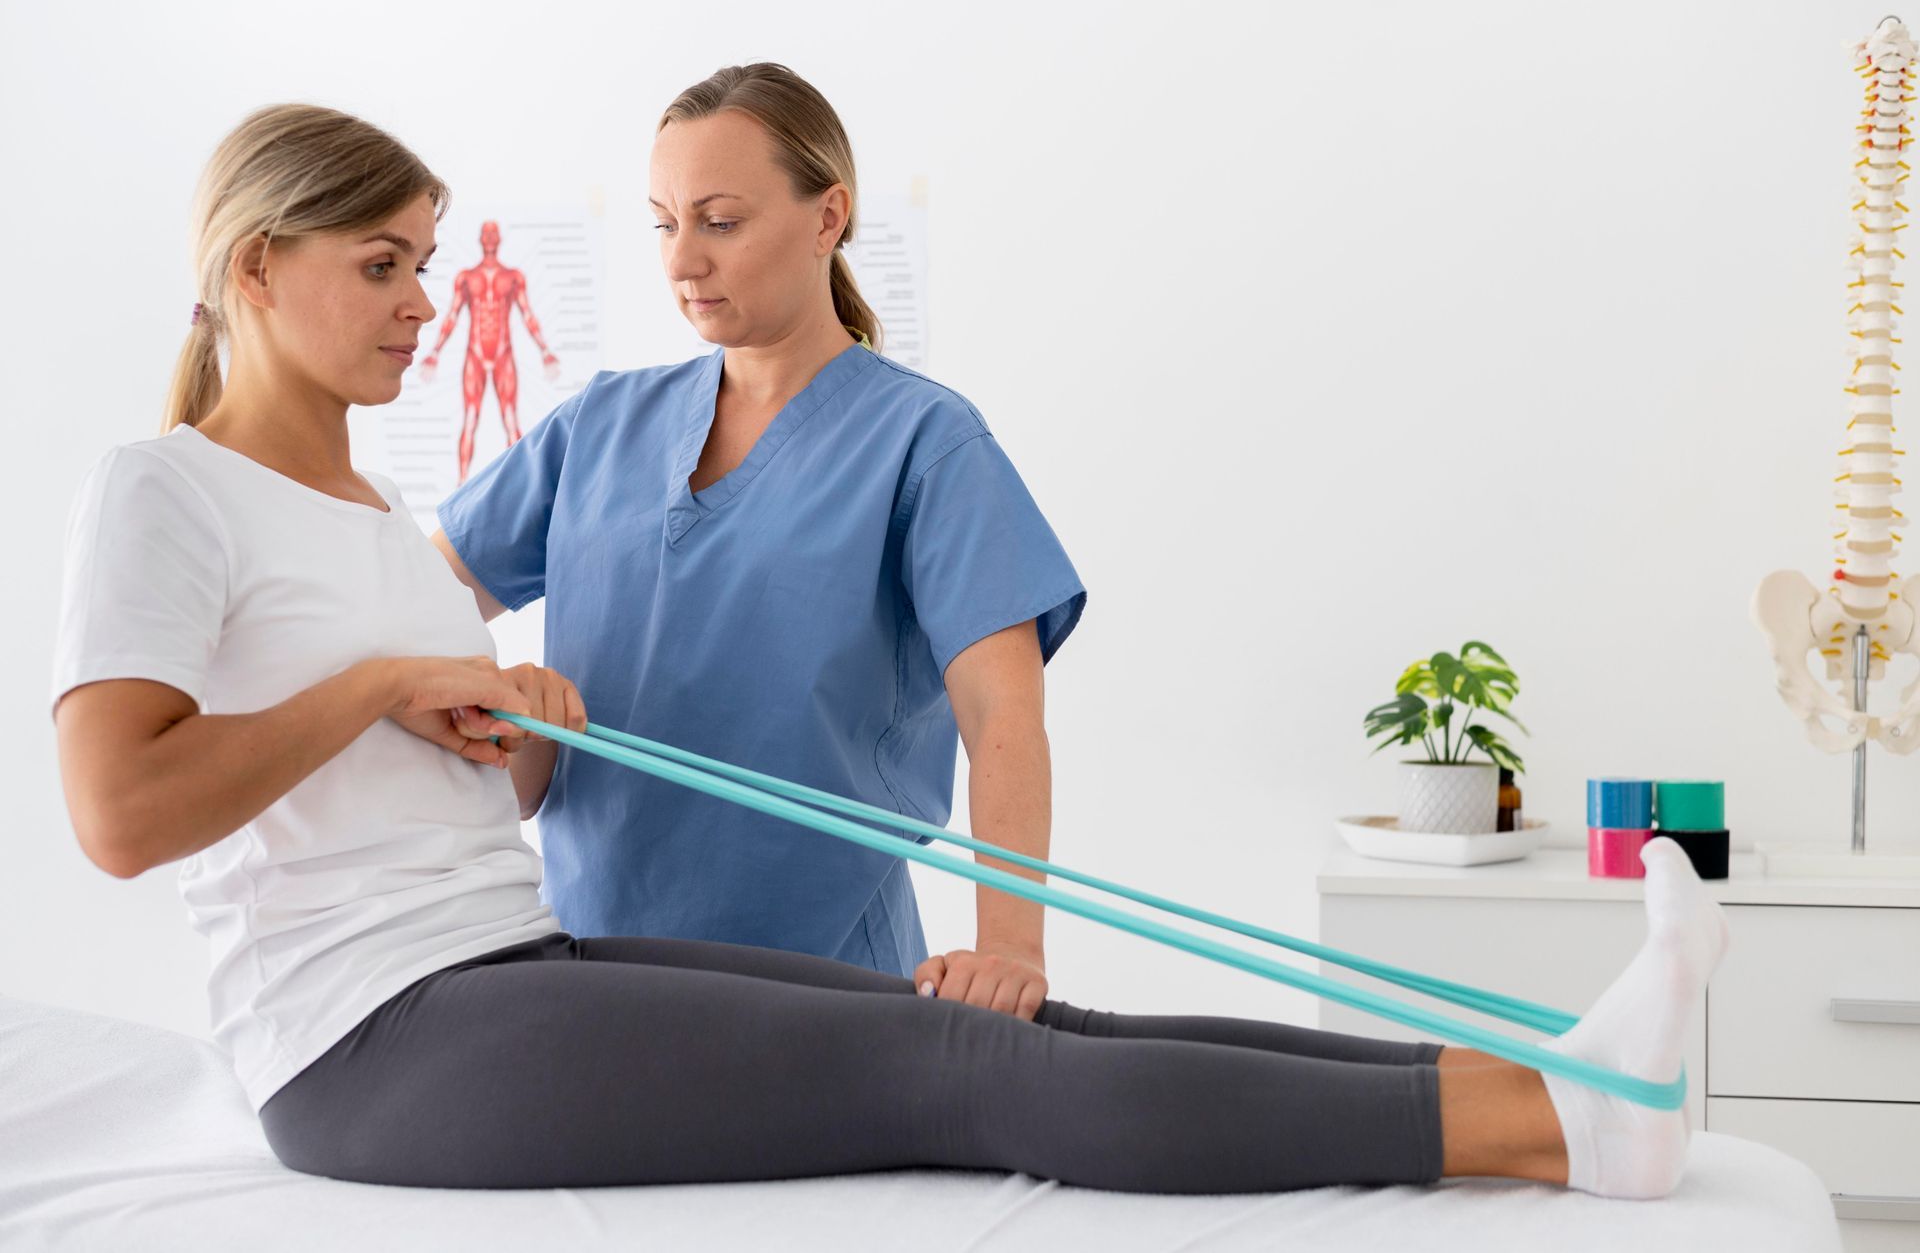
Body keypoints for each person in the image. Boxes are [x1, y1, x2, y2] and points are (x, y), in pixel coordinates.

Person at [50, 101, 1727, 1198]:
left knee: (1031, 1033)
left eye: (425, 262)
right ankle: (1554, 1130)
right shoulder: (166, 491)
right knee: (956, 1072)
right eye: (385, 264)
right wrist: (378, 685)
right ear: (255, 267)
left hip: (508, 958)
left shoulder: (374, 515)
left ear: (827, 213)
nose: (424, 300)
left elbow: (471, 785)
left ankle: (1557, 1085)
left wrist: (518, 719)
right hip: (368, 1031)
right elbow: (121, 815)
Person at [430, 65, 1083, 1013]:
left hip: (827, 991)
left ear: (829, 218)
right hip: (589, 976)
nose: (682, 259)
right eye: (665, 222)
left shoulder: (924, 445)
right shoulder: (599, 425)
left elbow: (1004, 720)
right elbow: (414, 606)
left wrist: (1010, 946)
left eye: (721, 222)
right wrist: (502, 705)